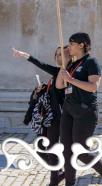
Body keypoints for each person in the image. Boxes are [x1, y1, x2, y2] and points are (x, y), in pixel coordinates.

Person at [56, 32, 102, 186]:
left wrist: (71, 79)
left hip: (85, 111)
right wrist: (62, 68)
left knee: (80, 150)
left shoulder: (91, 62)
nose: (68, 47)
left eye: (71, 44)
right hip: (69, 109)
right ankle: (70, 182)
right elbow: (59, 86)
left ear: (81, 45)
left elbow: (93, 87)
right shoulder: (71, 63)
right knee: (67, 150)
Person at [13, 46, 70, 186]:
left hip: (58, 118)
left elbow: (42, 65)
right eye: (57, 55)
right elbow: (53, 94)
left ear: (70, 57)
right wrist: (43, 89)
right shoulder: (56, 74)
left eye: (62, 55)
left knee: (51, 149)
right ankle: (60, 173)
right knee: (40, 149)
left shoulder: (65, 73)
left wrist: (27, 55)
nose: (58, 57)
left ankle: (54, 181)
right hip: (47, 118)